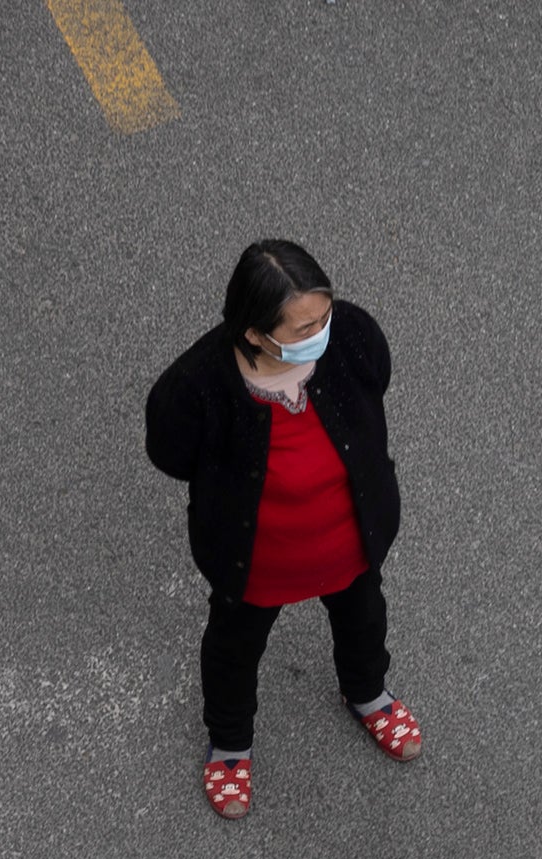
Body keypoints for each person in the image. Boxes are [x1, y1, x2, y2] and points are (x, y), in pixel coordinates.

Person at [144, 239, 420, 821]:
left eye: (324, 314)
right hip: (257, 562)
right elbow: (168, 450)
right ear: (254, 333)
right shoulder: (199, 385)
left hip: (350, 542)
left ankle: (368, 693)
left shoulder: (350, 338)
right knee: (234, 649)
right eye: (305, 326)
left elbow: (378, 374)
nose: (325, 330)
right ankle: (229, 747)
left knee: (364, 617)